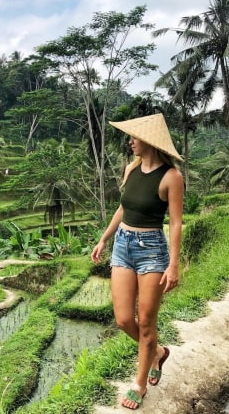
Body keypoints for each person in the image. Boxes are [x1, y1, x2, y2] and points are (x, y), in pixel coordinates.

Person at [90, 113, 184, 410]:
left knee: (145, 322)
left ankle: (139, 383)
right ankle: (157, 353)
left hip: (151, 251)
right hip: (122, 245)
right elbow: (123, 207)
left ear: (150, 142)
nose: (130, 141)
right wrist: (104, 238)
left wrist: (173, 264)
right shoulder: (131, 168)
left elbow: (176, 223)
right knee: (123, 319)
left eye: (134, 137)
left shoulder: (172, 177)